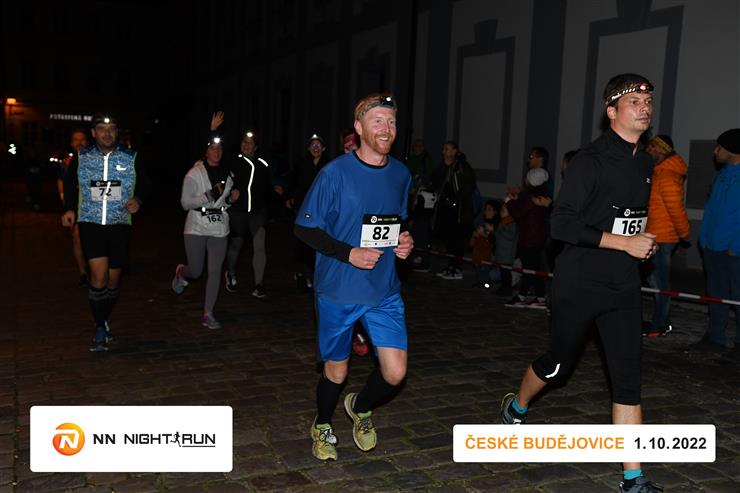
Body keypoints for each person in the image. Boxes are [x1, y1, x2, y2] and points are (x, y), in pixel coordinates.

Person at [500, 74, 662, 493]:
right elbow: (562, 224)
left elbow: (627, 219)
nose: (644, 106)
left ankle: (633, 478)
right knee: (557, 365)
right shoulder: (590, 161)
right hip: (580, 282)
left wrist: (642, 243)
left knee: (627, 378)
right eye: (634, 101)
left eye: (647, 100)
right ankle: (517, 405)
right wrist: (624, 242)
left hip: (623, 285)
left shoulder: (646, 163)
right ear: (612, 111)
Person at [294, 93, 413, 461]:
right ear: (359, 128)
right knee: (337, 370)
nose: (386, 128)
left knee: (395, 373)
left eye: (391, 122)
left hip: (383, 289)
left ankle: (360, 408)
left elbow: (395, 223)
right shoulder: (334, 174)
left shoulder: (401, 174)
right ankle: (322, 425)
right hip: (339, 288)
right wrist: (349, 253)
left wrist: (404, 240)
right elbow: (304, 228)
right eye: (378, 121)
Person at [61, 114, 148, 352]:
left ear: (116, 132)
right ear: (94, 133)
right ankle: (100, 327)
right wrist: (69, 208)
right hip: (90, 223)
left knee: (112, 282)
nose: (107, 133)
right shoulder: (82, 156)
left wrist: (138, 199)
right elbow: (69, 183)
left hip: (120, 224)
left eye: (111, 129)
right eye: (101, 129)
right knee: (98, 278)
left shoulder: (131, 156)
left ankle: (103, 316)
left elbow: (146, 183)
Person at [171, 134, 239, 329]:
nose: (216, 152)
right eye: (212, 148)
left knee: (215, 271)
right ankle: (181, 273)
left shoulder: (228, 175)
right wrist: (209, 195)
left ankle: (208, 313)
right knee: (196, 271)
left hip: (219, 227)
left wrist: (230, 200)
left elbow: (224, 202)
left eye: (219, 149)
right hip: (197, 226)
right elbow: (185, 203)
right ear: (206, 151)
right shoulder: (194, 173)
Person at [213, 112, 281, 299]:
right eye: (244, 142)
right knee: (237, 244)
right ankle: (230, 273)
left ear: (255, 147)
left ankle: (259, 284)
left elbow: (270, 183)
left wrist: (279, 190)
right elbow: (216, 151)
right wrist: (214, 130)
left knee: (260, 245)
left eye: (250, 143)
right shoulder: (233, 160)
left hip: (258, 213)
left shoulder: (263, 164)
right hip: (238, 212)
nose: (246, 145)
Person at [689, 128, 740, 356]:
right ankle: (714, 338)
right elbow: (713, 210)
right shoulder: (721, 176)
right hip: (712, 248)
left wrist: (736, 247)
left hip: (734, 252)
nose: (715, 151)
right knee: (715, 296)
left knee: (738, 298)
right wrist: (704, 239)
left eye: (719, 147)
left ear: (734, 150)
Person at [643, 135, 690, 337]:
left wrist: (684, 234)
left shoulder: (667, 175)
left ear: (660, 150)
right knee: (654, 282)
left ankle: (660, 324)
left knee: (660, 285)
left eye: (651, 148)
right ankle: (663, 321)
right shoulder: (659, 172)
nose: (647, 151)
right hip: (654, 236)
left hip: (662, 238)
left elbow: (676, 210)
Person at [286, 134, 330, 290]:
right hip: (303, 208)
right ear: (308, 148)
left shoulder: (329, 165)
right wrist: (289, 197)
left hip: (322, 210)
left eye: (318, 145)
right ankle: (302, 273)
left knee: (318, 242)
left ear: (323, 148)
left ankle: (316, 274)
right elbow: (292, 181)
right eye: (313, 145)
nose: (315, 148)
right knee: (302, 241)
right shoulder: (302, 164)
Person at [504, 167, 551, 309]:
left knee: (530, 268)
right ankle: (537, 297)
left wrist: (509, 201)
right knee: (533, 268)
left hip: (530, 238)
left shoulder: (531, 197)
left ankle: (524, 296)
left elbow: (518, 212)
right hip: (537, 237)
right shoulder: (541, 194)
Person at [433, 141, 477, 280]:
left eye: (447, 149)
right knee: (448, 239)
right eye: (443, 149)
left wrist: (457, 199)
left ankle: (457, 268)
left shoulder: (462, 166)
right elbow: (436, 180)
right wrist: (444, 166)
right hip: (446, 209)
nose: (444, 152)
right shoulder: (444, 165)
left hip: (459, 211)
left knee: (457, 240)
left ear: (454, 151)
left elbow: (469, 185)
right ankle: (451, 266)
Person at [58, 129, 90, 287]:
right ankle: (83, 273)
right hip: (74, 205)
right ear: (71, 144)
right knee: (77, 237)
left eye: (82, 139)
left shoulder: (94, 159)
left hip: (91, 205)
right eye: (76, 140)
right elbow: (62, 182)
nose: (79, 142)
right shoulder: (66, 163)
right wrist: (66, 203)